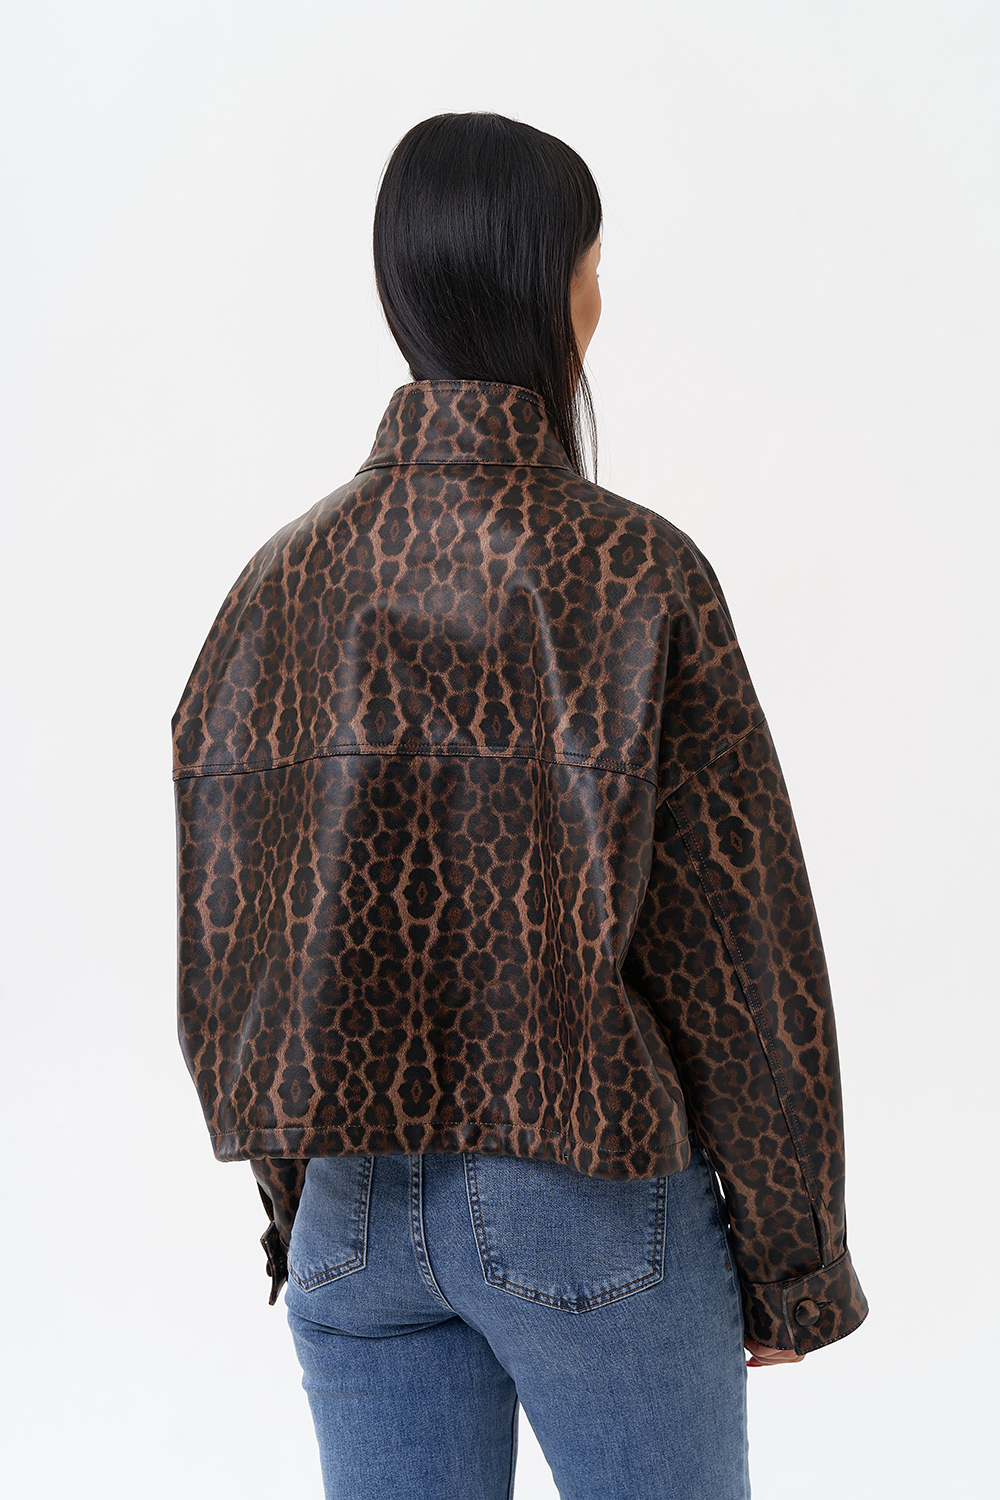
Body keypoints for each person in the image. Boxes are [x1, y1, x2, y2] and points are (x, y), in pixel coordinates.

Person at [172, 111, 867, 1500]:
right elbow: (739, 945)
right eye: (594, 263)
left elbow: (227, 941)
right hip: (586, 1190)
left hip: (352, 1209)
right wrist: (794, 1259)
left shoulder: (276, 584)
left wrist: (296, 1195)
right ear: (556, 285)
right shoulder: (635, 570)